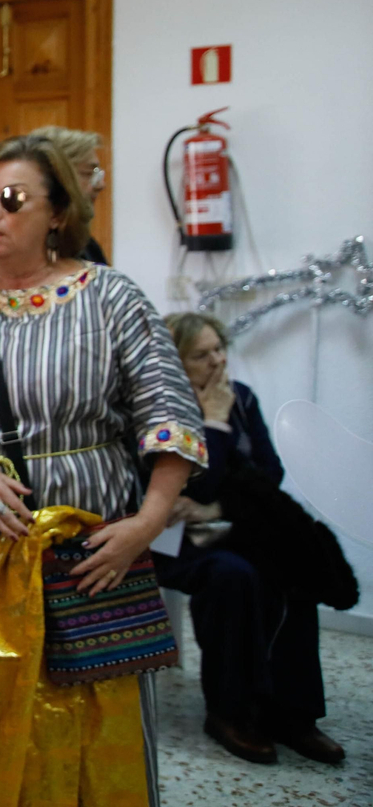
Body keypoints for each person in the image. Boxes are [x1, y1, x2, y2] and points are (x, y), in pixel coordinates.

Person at [0, 135, 205, 805]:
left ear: (59, 211)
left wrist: (144, 526)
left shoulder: (111, 298)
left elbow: (171, 417)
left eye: (11, 200)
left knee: (92, 699)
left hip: (94, 549)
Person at [157, 312, 346, 766]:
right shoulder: (162, 409)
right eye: (202, 356)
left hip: (231, 526)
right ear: (176, 363)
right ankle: (229, 711)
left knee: (293, 566)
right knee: (232, 577)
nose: (218, 361)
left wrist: (221, 508)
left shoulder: (240, 398)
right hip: (172, 538)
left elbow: (270, 473)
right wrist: (215, 425)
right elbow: (196, 484)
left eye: (219, 348)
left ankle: (293, 714)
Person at [0, 125, 108, 270]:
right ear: (62, 176)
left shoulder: (90, 249)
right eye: (89, 173)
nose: (100, 185)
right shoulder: (1, 249)